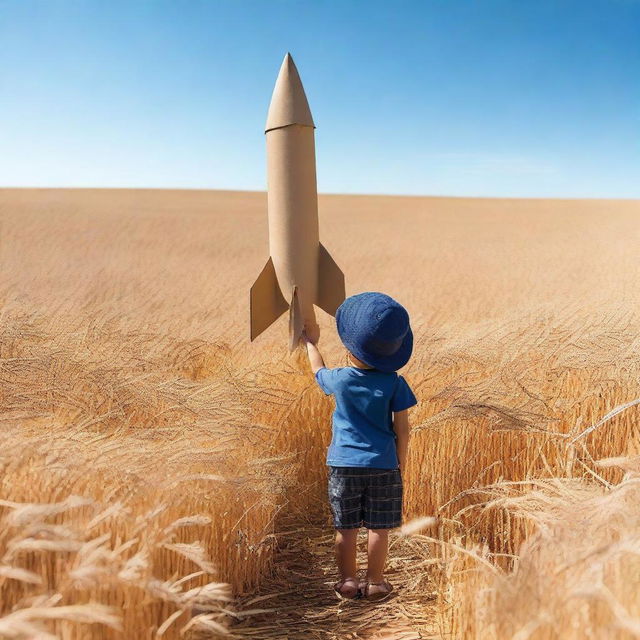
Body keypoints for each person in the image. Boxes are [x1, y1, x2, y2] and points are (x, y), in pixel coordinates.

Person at [303, 291, 417, 601]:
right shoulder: (395, 382)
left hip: (343, 465)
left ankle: (348, 582)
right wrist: (400, 464)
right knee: (379, 528)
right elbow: (402, 430)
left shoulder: (339, 379)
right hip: (384, 464)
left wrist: (310, 343)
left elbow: (317, 370)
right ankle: (376, 582)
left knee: (346, 528)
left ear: (350, 347)